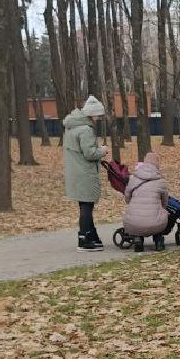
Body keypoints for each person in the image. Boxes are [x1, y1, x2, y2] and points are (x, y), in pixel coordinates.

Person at [62, 95, 107, 251]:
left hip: (74, 171)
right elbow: (89, 154)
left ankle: (91, 235)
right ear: (92, 114)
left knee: (84, 205)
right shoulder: (86, 130)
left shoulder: (71, 127)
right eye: (98, 115)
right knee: (87, 206)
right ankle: (84, 239)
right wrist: (102, 150)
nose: (99, 118)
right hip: (85, 172)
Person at [121, 151, 177, 251]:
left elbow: (127, 198)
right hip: (155, 223)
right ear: (157, 165)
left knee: (137, 219)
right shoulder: (161, 182)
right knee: (162, 215)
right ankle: (158, 239)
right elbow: (165, 203)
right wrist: (162, 209)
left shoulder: (133, 179)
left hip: (133, 223)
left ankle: (138, 239)